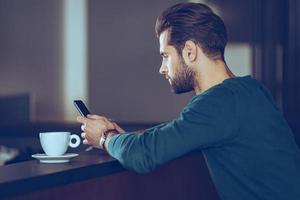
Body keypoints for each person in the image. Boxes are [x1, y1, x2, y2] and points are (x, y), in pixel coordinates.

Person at [77, 2, 300, 200]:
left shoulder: (217, 102)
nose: (162, 68)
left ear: (190, 52)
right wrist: (124, 138)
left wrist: (106, 138)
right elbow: (181, 130)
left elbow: (143, 156)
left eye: (165, 56)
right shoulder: (250, 90)